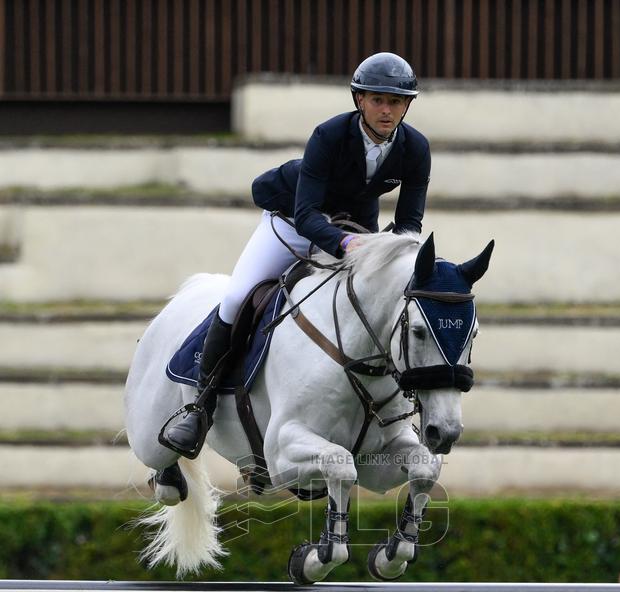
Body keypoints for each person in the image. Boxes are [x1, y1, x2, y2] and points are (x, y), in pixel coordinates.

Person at [162, 51, 431, 458]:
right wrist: (344, 244)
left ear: (407, 105)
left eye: (396, 102)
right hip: (291, 222)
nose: (386, 110)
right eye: (378, 100)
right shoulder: (329, 135)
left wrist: (388, 259)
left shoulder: (415, 149)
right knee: (237, 297)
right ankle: (200, 405)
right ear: (359, 100)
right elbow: (306, 213)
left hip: (353, 229)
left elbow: (410, 224)